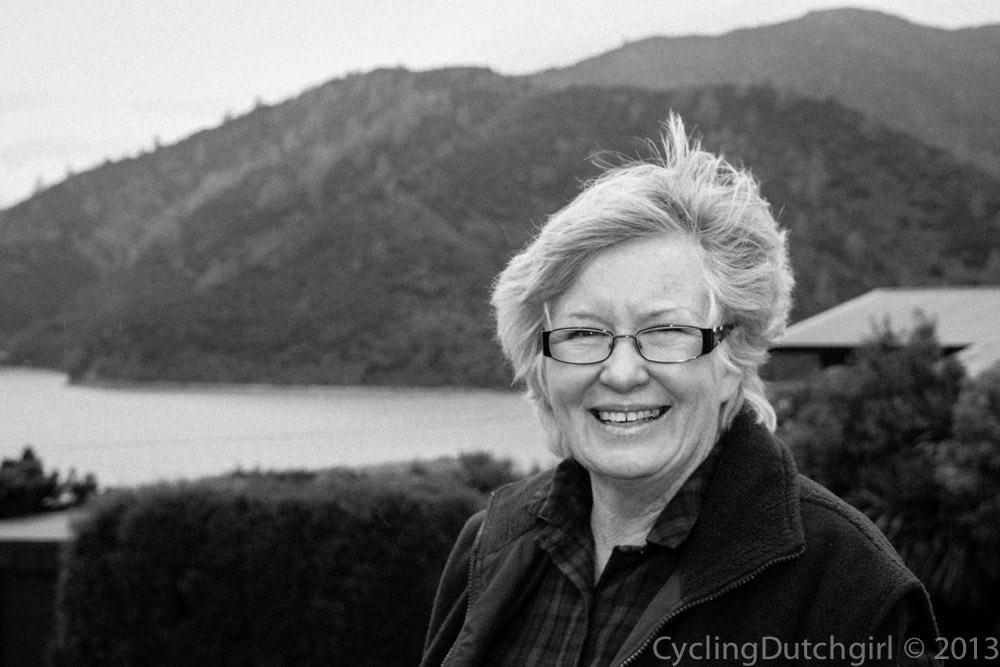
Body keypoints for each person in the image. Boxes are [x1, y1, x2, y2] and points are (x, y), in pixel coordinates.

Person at [420, 115, 937, 667]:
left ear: (733, 358)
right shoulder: (489, 546)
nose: (622, 373)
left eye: (666, 331)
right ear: (541, 365)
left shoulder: (848, 591)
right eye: (584, 334)